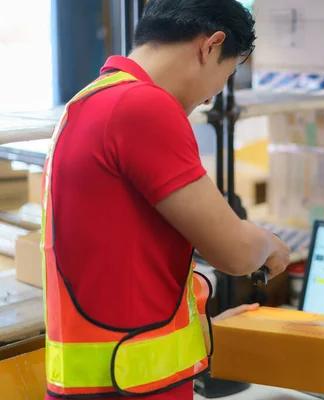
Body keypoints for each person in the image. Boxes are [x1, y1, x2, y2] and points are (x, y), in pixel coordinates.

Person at [42, 1, 291, 399]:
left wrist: (204, 329)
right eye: (225, 77)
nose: (212, 99)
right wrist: (268, 243)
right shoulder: (143, 107)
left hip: (107, 380)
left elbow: (122, 266)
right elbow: (234, 252)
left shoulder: (90, 102)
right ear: (211, 46)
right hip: (129, 389)